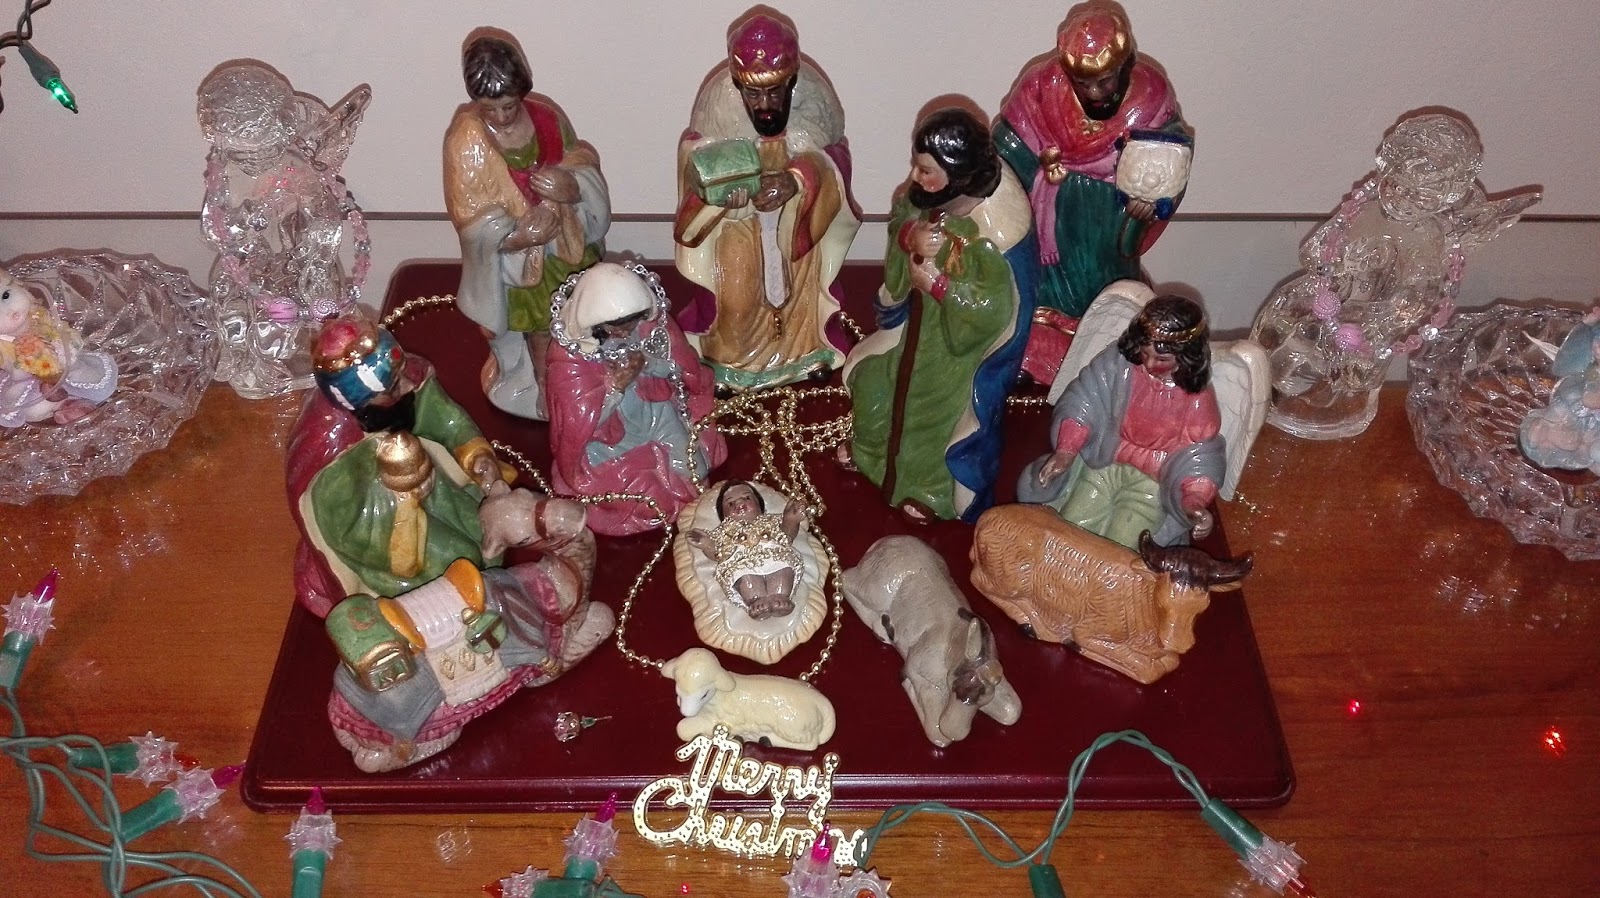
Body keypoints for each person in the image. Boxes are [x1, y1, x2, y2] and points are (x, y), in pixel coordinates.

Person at [842, 108, 1033, 523]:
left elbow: (993, 313)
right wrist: (910, 236)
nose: (915, 176)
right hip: (911, 332)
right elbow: (902, 217)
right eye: (916, 165)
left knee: (927, 417)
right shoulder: (926, 200)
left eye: (926, 170)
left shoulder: (992, 236)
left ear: (958, 176)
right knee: (873, 383)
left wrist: (938, 285)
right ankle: (872, 455)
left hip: (955, 356)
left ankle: (930, 490)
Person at [994, 3, 1190, 381]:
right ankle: (1039, 353)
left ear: (1125, 65)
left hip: (1109, 220)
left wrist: (1153, 202)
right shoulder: (1040, 87)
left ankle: (1104, 346)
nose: (1095, 92)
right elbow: (1009, 142)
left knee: (1109, 289)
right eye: (1083, 83)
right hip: (1050, 221)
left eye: (1105, 80)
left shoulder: (1150, 96)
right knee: (1041, 291)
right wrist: (1020, 165)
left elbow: (1171, 156)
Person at [673, 11, 860, 391]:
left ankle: (804, 354)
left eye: (775, 92)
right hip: (738, 225)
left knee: (798, 292)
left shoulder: (813, 102)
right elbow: (695, 163)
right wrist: (724, 189)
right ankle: (731, 362)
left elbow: (834, 159)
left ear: (791, 82)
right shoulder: (717, 108)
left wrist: (797, 180)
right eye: (753, 94)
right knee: (737, 299)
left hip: (796, 223)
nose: (764, 104)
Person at [286, 314, 516, 617]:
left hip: (436, 489)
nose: (408, 385)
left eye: (402, 373)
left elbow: (443, 417)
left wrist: (476, 456)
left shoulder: (406, 385)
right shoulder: (331, 453)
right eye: (393, 387)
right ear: (360, 403)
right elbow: (348, 529)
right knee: (459, 559)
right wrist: (403, 502)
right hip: (388, 531)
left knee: (484, 529)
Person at [445, 31, 610, 420]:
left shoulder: (547, 118)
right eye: (491, 108)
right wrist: (517, 236)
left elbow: (580, 159)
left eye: (509, 105)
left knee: (581, 310)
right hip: (521, 264)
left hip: (567, 241)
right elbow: (469, 215)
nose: (502, 117)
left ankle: (586, 375)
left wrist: (571, 186)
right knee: (539, 325)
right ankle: (545, 386)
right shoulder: (466, 140)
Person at [1019, 295, 1223, 548]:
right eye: (1145, 353)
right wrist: (1067, 450)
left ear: (1185, 357)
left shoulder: (1196, 399)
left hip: (1152, 484)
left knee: (1122, 543)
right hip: (1104, 462)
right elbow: (1085, 400)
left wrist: (1194, 501)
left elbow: (1200, 455)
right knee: (1073, 524)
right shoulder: (1119, 366)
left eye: (1162, 360)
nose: (1149, 363)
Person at [546, 262, 727, 536]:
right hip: (608, 440)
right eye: (615, 326)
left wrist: (648, 364)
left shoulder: (652, 329)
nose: (625, 332)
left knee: (695, 471)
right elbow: (578, 424)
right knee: (643, 501)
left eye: (631, 323)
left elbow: (682, 370)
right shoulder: (571, 358)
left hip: (656, 414)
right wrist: (616, 387)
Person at [685, 479, 806, 620]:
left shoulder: (771, 521)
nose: (739, 504)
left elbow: (786, 536)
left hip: (774, 555)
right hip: (742, 563)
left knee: (783, 568)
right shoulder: (724, 532)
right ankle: (756, 600)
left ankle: (779, 595)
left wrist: (791, 520)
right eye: (730, 503)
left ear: (760, 505)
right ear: (723, 515)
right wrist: (706, 544)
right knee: (744, 577)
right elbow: (718, 554)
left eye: (747, 498)